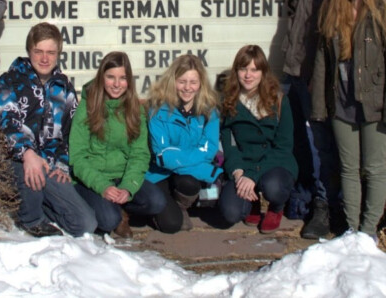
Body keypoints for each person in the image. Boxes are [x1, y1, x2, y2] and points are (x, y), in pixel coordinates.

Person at [312, 0, 386, 238]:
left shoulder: (384, 8)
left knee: (374, 167)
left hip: (374, 102)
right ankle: (353, 231)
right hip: (340, 100)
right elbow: (321, 61)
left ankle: (369, 231)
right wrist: (319, 105)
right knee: (348, 168)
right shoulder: (332, 7)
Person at [0, 22, 97, 237]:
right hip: (17, 160)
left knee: (85, 224)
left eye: (51, 52)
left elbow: (68, 133)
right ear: (29, 51)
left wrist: (61, 164)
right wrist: (28, 154)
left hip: (48, 164)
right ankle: (30, 219)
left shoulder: (64, 87)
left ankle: (36, 205)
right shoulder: (9, 81)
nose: (44, 58)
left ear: (58, 53)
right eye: (38, 51)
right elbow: (7, 123)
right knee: (31, 175)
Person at [280, 0, 341, 239]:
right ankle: (303, 198)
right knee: (297, 141)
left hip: (317, 74)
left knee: (321, 143)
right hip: (293, 70)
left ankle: (324, 205)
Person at [69, 52, 166, 237]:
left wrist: (128, 187)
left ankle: (120, 208)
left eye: (122, 78)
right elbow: (78, 157)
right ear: (101, 78)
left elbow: (140, 154)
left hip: (121, 177)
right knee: (108, 221)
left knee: (157, 202)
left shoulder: (135, 110)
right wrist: (102, 186)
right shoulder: (87, 106)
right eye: (110, 77)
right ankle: (112, 212)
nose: (116, 84)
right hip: (91, 180)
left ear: (129, 80)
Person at [218, 45, 297, 233]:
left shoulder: (279, 100)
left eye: (254, 69)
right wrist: (238, 173)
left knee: (274, 187)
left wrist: (252, 175)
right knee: (230, 212)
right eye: (243, 69)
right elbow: (230, 144)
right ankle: (251, 202)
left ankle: (276, 208)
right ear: (236, 71)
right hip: (243, 165)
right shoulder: (229, 102)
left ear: (263, 72)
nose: (248, 75)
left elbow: (283, 146)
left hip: (275, 164)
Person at [145, 54, 223, 233]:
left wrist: (178, 156)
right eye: (182, 81)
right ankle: (166, 206)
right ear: (173, 81)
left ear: (201, 83)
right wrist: (206, 170)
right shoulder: (157, 108)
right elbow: (162, 155)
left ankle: (181, 206)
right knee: (171, 225)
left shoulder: (210, 111)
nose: (187, 88)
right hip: (160, 174)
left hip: (185, 177)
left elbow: (209, 150)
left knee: (189, 184)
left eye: (193, 82)